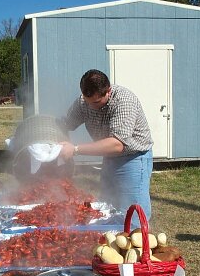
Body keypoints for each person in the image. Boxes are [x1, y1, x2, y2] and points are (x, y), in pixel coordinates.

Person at [59, 69, 153, 226]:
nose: (90, 105)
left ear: (108, 91)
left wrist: (75, 149)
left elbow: (117, 145)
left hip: (133, 157)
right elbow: (65, 124)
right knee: (108, 207)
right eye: (87, 100)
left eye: (96, 102)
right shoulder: (84, 102)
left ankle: (137, 244)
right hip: (109, 157)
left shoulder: (124, 100)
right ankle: (112, 245)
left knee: (131, 212)